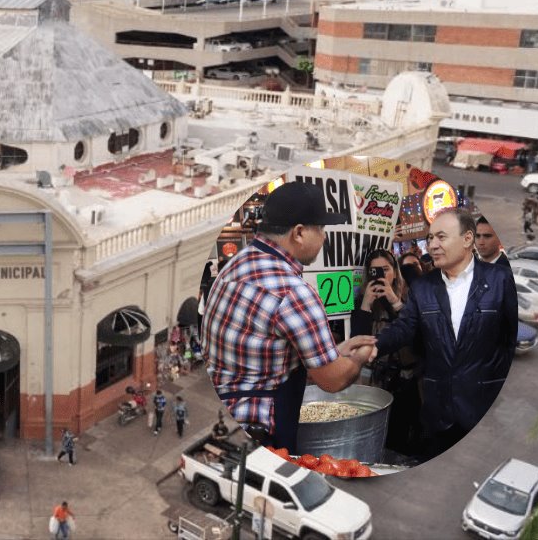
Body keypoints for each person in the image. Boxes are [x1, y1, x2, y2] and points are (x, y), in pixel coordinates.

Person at [204, 181, 377, 453]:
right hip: (262, 429)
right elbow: (332, 380)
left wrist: (334, 351)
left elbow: (268, 350)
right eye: (320, 229)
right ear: (298, 233)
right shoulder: (293, 293)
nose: (325, 237)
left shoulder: (235, 264)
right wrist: (360, 356)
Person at [373, 208, 517, 461]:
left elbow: (511, 341)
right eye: (430, 238)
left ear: (467, 239)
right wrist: (374, 345)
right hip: (438, 411)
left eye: (441, 237)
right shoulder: (423, 286)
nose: (433, 245)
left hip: (485, 407)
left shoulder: (501, 280)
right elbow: (405, 327)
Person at [352, 249, 423, 455]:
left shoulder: (411, 296)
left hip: (406, 383)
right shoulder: (361, 301)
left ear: (395, 271)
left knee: (401, 439)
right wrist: (366, 303)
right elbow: (357, 339)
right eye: (375, 271)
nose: (381, 275)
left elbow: (417, 335)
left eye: (385, 269)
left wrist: (394, 300)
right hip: (374, 382)